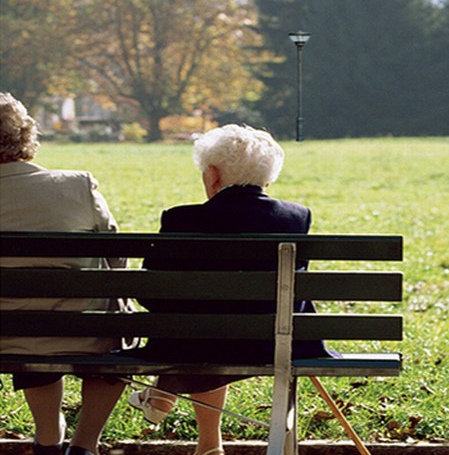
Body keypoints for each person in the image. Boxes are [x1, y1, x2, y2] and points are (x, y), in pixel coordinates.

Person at [128, 124, 328, 455]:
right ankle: (202, 437)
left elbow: (150, 293)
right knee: (215, 323)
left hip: (194, 342)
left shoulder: (181, 219)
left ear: (213, 174)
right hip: (276, 342)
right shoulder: (296, 217)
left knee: (201, 324)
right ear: (268, 177)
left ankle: (166, 397)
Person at [0, 93, 127, 455]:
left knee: (28, 329)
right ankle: (84, 445)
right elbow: (116, 257)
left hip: (6, 334)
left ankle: (48, 437)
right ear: (26, 135)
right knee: (114, 331)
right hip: (84, 331)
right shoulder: (76, 186)